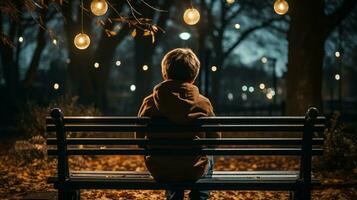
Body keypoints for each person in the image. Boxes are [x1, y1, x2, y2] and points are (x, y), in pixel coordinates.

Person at [137, 48, 221, 200]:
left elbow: (139, 139)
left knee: (169, 159)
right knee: (209, 155)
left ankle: (174, 196)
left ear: (165, 74)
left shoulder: (149, 102)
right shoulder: (203, 103)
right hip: (193, 170)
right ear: (193, 77)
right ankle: (199, 196)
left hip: (161, 169)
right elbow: (214, 139)